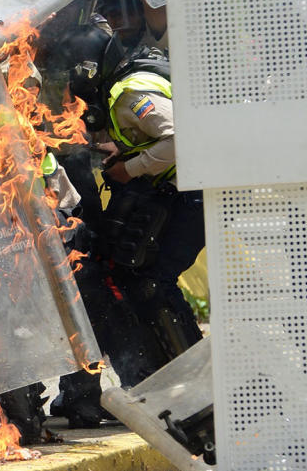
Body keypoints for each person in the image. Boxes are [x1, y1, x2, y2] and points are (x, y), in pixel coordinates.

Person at [63, 19, 204, 386]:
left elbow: (179, 139)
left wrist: (131, 167)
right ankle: (175, 379)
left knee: (154, 283)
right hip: (191, 188)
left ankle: (195, 381)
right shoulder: (130, 79)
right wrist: (125, 150)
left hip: (196, 192)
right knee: (141, 278)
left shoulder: (129, 92)